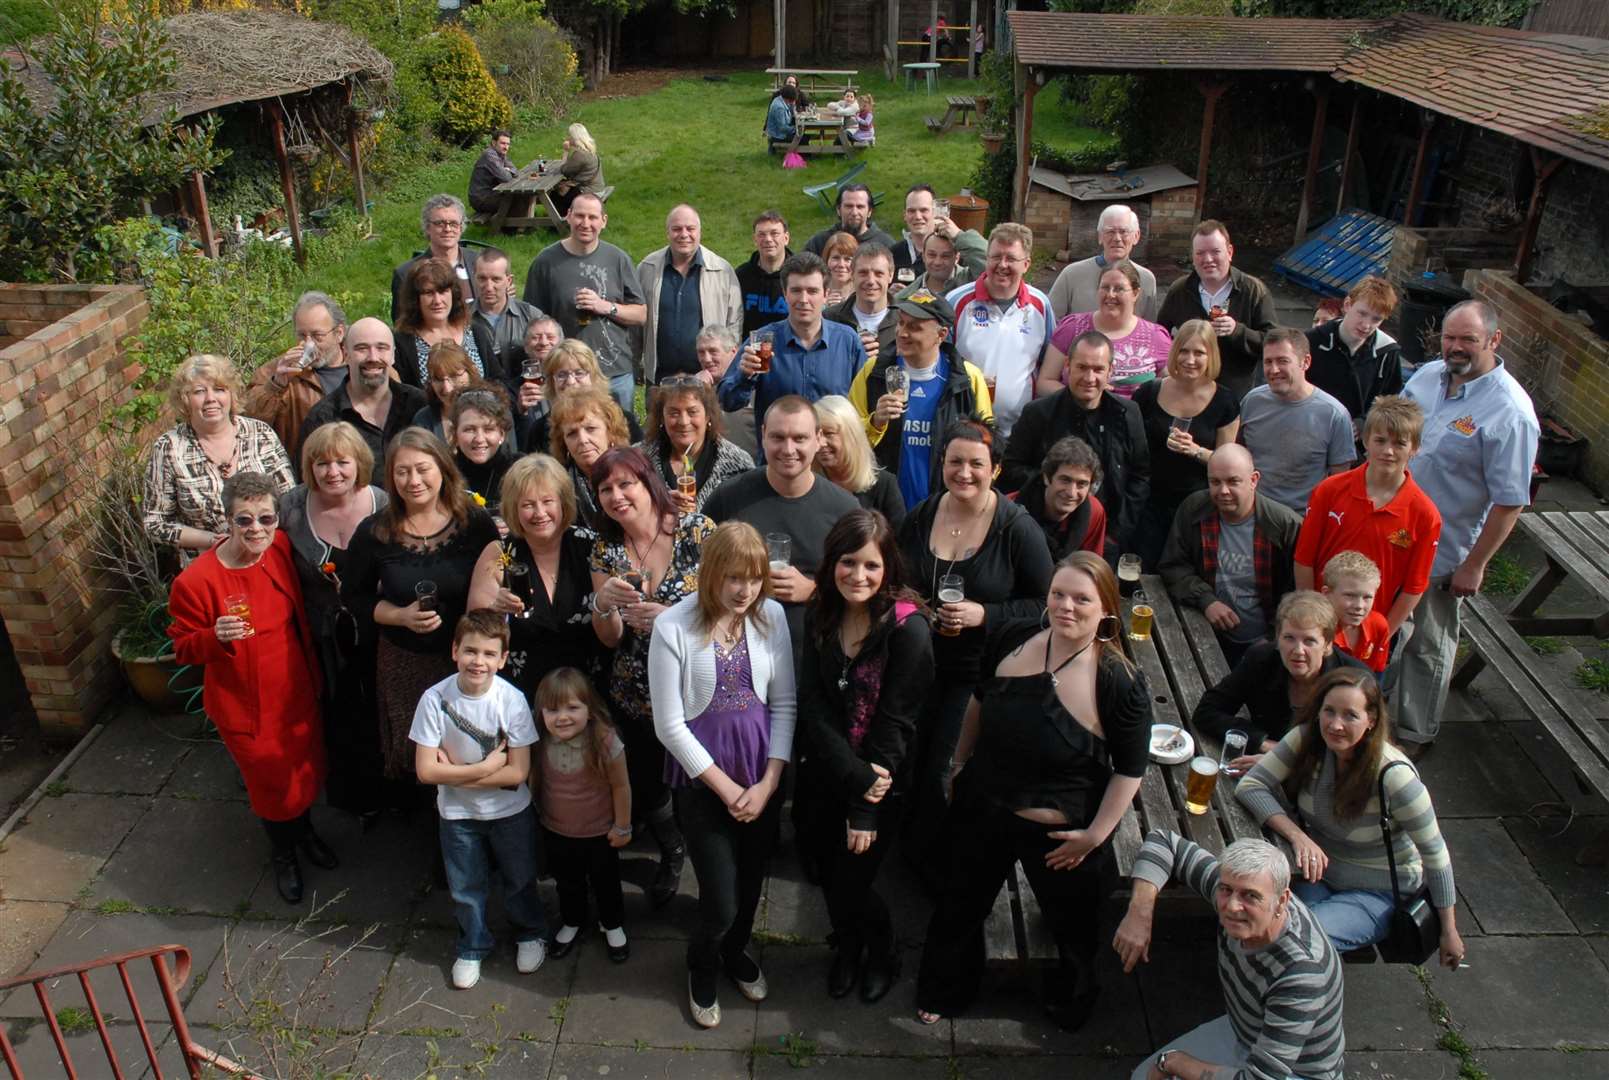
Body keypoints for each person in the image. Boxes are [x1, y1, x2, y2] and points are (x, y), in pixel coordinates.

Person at [917, 552, 1150, 1029]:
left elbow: (1130, 769)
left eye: (1081, 599)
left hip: (1060, 834)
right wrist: (957, 764)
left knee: (1076, 928)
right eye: (1058, 594)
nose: (1066, 606)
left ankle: (1071, 1000)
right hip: (985, 805)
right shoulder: (1014, 636)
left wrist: (1095, 836)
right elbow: (978, 703)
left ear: (1106, 608)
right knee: (958, 904)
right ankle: (944, 989)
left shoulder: (1119, 680)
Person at [649, 521, 796, 1028]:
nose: (745, 590)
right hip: (704, 781)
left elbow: (785, 704)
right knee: (720, 896)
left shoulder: (771, 616)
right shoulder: (673, 625)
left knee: (752, 883)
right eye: (733, 577)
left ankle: (734, 952)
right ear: (709, 573)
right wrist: (729, 789)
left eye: (754, 578)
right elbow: (668, 724)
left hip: (760, 775)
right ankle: (702, 961)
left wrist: (770, 781)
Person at [167, 471, 332, 904]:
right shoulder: (196, 582)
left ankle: (307, 833)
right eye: (244, 520)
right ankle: (284, 854)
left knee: (304, 771)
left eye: (265, 518)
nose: (256, 529)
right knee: (269, 783)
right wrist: (213, 637)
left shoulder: (279, 548)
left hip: (296, 691)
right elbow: (182, 648)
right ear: (227, 520)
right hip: (247, 708)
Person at [897, 420, 1055, 873]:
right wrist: (917, 611)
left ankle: (940, 867)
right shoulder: (924, 514)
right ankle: (910, 851)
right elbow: (898, 584)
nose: (964, 472)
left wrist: (985, 614)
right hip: (923, 663)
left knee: (943, 767)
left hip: (980, 674)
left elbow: (1046, 604)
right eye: (955, 462)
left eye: (976, 464)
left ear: (997, 470)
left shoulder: (1015, 528)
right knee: (907, 758)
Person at [1236, 668, 1464, 964]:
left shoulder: (1395, 778)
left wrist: (1449, 930)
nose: (1335, 725)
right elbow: (1251, 785)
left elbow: (1436, 855)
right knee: (1258, 923)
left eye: (1350, 715)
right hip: (1317, 875)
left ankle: (1283, 1005)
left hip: (1376, 891)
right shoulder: (1307, 741)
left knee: (1293, 941)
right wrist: (1297, 836)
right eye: (1328, 711)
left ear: (1371, 720)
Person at [798, 509, 932, 1002]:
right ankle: (848, 947)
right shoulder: (822, 612)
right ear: (832, 562)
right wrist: (848, 774)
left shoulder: (908, 631)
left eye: (871, 566)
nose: (859, 576)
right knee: (829, 877)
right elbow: (813, 703)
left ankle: (881, 950)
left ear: (888, 569)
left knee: (853, 882)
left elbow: (895, 725)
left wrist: (864, 807)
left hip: (881, 781)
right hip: (830, 770)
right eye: (849, 563)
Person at [1396, 300, 1538, 750]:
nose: (1455, 348)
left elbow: (1510, 501)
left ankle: (1415, 734)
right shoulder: (1425, 377)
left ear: (1494, 341)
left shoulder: (1510, 412)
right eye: (1449, 337)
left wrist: (1475, 565)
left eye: (1468, 340)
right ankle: (1372, 717)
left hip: (1443, 548)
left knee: (1428, 642)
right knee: (1385, 625)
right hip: (1393, 530)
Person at [589, 446, 714, 908]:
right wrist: (604, 604)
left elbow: (726, 611)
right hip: (635, 690)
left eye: (627, 484)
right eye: (606, 489)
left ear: (648, 484)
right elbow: (608, 638)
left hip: (694, 690)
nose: (617, 496)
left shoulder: (696, 530)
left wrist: (669, 618)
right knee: (647, 784)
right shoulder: (605, 549)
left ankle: (708, 865)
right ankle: (672, 851)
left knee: (697, 784)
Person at [1114, 834, 1345, 1080]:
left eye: (1251, 896)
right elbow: (1164, 842)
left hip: (1295, 1072)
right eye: (1226, 890)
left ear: (1282, 901)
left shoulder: (1302, 974)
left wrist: (1173, 1062)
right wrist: (1140, 912)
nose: (1232, 906)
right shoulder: (1232, 891)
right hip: (1246, 1033)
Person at [344, 428, 500, 786]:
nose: (413, 480)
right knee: (421, 756)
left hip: (464, 660)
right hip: (406, 661)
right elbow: (355, 597)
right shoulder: (375, 532)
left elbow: (497, 572)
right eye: (402, 471)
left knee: (470, 746)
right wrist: (400, 616)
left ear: (442, 468)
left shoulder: (474, 522)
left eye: (422, 468)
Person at [410, 609, 546, 990]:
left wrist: (454, 774)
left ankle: (530, 931)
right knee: (466, 886)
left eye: (489, 654)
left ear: (503, 659)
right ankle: (472, 944)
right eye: (470, 651)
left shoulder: (512, 700)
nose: (478, 662)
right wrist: (486, 767)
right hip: (456, 815)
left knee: (520, 878)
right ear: (454, 651)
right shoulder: (434, 699)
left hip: (510, 812)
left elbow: (518, 773)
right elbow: (425, 772)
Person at [278, 422, 389, 818]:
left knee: (380, 709)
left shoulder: (383, 504)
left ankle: (390, 793)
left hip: (380, 631)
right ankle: (348, 793)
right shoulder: (290, 508)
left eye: (342, 461)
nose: (333, 472)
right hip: (323, 636)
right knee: (338, 714)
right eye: (322, 463)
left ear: (359, 463)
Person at [703, 396, 861, 649]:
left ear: (818, 438)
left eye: (799, 438)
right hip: (736, 652)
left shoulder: (845, 508)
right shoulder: (728, 498)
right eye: (778, 437)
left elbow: (866, 587)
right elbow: (697, 572)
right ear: (763, 435)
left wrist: (813, 589)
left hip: (815, 656)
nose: (788, 450)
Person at [1293, 396, 1440, 660]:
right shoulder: (1330, 490)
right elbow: (1304, 560)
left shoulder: (1425, 515)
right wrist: (1311, 617)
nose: (1388, 451)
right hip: (1318, 628)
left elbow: (1413, 588)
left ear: (1415, 448)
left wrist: (1381, 633)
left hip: (1367, 638)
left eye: (1400, 443)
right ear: (1365, 440)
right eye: (1380, 440)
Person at [1001, 332, 1149, 563]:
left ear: (1110, 371)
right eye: (1082, 367)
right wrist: (1053, 484)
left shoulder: (1128, 414)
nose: (1089, 377)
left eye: (1098, 369)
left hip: (1108, 534)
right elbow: (1010, 468)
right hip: (1043, 533)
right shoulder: (1038, 413)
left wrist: (1117, 534)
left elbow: (1140, 476)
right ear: (1067, 366)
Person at [467, 454, 602, 700]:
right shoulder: (500, 554)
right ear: (513, 508)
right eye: (528, 504)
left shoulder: (591, 547)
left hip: (590, 695)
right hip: (521, 696)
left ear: (563, 502)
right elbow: (474, 631)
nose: (539, 513)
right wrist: (495, 610)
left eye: (547, 501)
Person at [1158, 445, 1303, 667]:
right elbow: (1174, 565)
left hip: (1266, 644)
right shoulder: (1195, 508)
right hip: (1205, 634)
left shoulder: (1285, 526)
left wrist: (1272, 640)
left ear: (1254, 480)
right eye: (1215, 482)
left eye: (1233, 481)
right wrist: (1206, 601)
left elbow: (1298, 594)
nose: (1223, 491)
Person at [851, 288, 991, 510]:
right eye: (901, 323)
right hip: (881, 507)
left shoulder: (967, 378)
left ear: (941, 334)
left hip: (944, 508)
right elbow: (847, 440)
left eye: (914, 327)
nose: (902, 332)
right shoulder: (874, 371)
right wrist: (875, 422)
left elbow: (988, 448)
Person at [144, 355, 295, 561]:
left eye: (219, 389)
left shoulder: (260, 434)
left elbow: (290, 499)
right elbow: (156, 523)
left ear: (232, 395)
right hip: (209, 565)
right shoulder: (169, 448)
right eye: (199, 391)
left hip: (268, 557)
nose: (210, 399)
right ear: (184, 400)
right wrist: (213, 540)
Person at [1193, 591, 1368, 767]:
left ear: (1328, 644)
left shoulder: (1354, 681)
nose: (1298, 650)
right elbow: (1206, 711)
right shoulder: (1261, 659)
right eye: (1289, 638)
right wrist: (1262, 742)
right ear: (1277, 637)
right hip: (1260, 765)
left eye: (1309, 641)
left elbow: (1362, 752)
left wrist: (1284, 760)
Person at [717, 253, 869, 456]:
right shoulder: (763, 341)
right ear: (785, 294)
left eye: (812, 291)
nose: (803, 299)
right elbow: (726, 401)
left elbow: (865, 405)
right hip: (782, 462)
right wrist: (743, 376)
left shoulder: (847, 341)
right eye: (796, 290)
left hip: (833, 462)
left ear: (825, 294)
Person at [535, 667, 632, 963]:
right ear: (540, 714)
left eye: (572, 708)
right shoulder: (538, 741)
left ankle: (612, 923)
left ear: (589, 710)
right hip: (557, 830)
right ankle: (572, 920)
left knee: (606, 881)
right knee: (568, 882)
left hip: (599, 833)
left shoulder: (604, 741)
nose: (562, 717)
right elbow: (533, 780)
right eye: (552, 710)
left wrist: (623, 826)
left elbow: (621, 785)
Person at [521, 192, 646, 414]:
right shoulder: (546, 262)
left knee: (620, 440)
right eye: (579, 216)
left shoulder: (617, 259)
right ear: (568, 216)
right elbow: (533, 322)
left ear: (603, 221)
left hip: (614, 373)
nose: (585, 223)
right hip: (567, 376)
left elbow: (641, 314)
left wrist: (605, 306)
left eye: (592, 217)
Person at [1129, 320, 1241, 568]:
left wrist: (1195, 450)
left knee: (1184, 570)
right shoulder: (1149, 393)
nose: (1190, 359)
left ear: (1211, 355)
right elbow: (1130, 447)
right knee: (1144, 570)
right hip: (1149, 503)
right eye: (1184, 351)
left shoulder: (1225, 401)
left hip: (1196, 505)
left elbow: (1227, 464)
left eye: (1199, 352)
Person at [946, 222, 1051, 438]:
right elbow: (940, 360)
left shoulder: (1041, 305)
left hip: (1022, 431)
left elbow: (1049, 363)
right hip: (966, 428)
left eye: (1011, 258)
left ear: (1026, 264)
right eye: (995, 257)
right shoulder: (957, 301)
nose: (1002, 265)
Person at [1155, 220, 1279, 399]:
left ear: (1229, 252)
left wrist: (1237, 331)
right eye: (1200, 253)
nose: (1207, 259)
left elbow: (1273, 341)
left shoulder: (1254, 290)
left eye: (1215, 252)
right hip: (1187, 391)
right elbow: (1160, 333)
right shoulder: (1180, 290)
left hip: (1234, 393)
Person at [1238, 328, 1354, 514]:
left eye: (1283, 361)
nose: (1274, 370)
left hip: (1302, 518)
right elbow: (1238, 454)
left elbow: (1340, 481)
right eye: (1268, 362)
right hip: (1252, 511)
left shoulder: (1334, 415)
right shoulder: (1252, 402)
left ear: (1305, 362)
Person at [300, 318, 427, 480]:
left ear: (393, 355)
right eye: (362, 348)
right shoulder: (322, 418)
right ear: (346, 354)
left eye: (382, 348)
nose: (373, 357)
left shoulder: (419, 405)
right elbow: (308, 485)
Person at [637, 204, 744, 386]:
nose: (684, 234)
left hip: (708, 380)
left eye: (690, 229)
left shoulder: (722, 270)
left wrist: (724, 369)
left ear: (700, 232)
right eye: (677, 229)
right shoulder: (647, 268)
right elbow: (636, 320)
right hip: (660, 379)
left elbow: (734, 324)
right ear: (667, 233)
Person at [1038, 260, 1172, 399]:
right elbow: (1045, 382)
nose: (1110, 295)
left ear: (1135, 293)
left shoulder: (1156, 336)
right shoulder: (1072, 328)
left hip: (1136, 418)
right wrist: (1081, 397)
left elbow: (1172, 387)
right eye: (1105, 287)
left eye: (1119, 288)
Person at [242, 291, 350, 461]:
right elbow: (246, 424)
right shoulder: (277, 370)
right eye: (302, 335)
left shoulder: (363, 365)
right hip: (307, 472)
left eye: (317, 336)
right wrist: (275, 385)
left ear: (339, 333)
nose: (308, 344)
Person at [1306, 276, 1403, 443]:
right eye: (1362, 314)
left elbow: (1392, 400)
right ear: (1347, 305)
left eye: (1376, 319)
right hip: (1309, 431)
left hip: (1354, 443)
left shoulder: (1387, 351)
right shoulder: (1313, 341)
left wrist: (1363, 423)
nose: (1366, 325)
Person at [640, 375, 754, 515]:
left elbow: (746, 521)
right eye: (674, 413)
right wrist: (658, 507)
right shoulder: (639, 459)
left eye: (692, 412)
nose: (683, 421)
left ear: (708, 417)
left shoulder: (738, 463)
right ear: (662, 418)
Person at [520, 338, 643, 458]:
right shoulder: (539, 430)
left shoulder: (622, 419)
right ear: (552, 382)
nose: (571, 382)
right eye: (561, 375)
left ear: (594, 377)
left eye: (579, 373)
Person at [393, 257, 501, 389]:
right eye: (428, 293)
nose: (437, 300)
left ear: (453, 294)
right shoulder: (403, 342)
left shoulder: (474, 330)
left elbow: (498, 380)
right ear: (415, 299)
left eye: (443, 291)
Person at [1047, 204, 1159, 322]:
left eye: (1123, 231)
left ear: (1136, 236)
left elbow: (1150, 328)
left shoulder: (1146, 279)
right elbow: (1050, 319)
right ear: (1100, 236)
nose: (1117, 238)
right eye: (1110, 231)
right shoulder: (1072, 274)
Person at [812, 394, 904, 526]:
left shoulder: (884, 486)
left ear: (851, 435)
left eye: (829, 433)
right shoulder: (807, 482)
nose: (820, 443)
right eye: (816, 434)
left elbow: (899, 543)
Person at [1016, 436, 1108, 561]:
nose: (1072, 493)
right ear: (1046, 478)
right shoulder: (1010, 511)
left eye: (1082, 484)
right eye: (1065, 480)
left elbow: (1091, 569)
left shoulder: (1094, 512)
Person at [391, 194, 482, 319]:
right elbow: (402, 325)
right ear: (427, 227)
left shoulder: (480, 262)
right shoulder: (406, 274)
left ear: (461, 228)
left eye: (454, 223)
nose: (447, 229)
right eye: (440, 223)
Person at [471, 247, 546, 380]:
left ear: (509, 281)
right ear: (474, 278)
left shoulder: (531, 316)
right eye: (482, 278)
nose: (488, 287)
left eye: (496, 279)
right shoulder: (461, 319)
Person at [827, 241, 897, 363]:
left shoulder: (907, 320)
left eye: (878, 273)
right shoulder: (829, 319)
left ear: (890, 276)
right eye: (863, 273)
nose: (870, 280)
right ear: (852, 275)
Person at [696, 325, 759, 461]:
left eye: (713, 351)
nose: (706, 359)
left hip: (750, 470)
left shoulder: (750, 386)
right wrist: (695, 392)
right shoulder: (694, 387)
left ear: (733, 352)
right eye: (701, 352)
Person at [1322, 551, 1390, 675]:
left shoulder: (1378, 625)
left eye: (1367, 597)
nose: (1359, 606)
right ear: (1326, 593)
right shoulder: (1316, 629)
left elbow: (1374, 676)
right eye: (1350, 595)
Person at [450, 387, 518, 510]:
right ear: (455, 435)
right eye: (469, 429)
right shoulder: (445, 473)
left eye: (488, 429)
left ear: (502, 434)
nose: (479, 439)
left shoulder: (520, 468)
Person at [897, 216, 986, 300]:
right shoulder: (907, 295)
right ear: (923, 256)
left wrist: (958, 235)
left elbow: (992, 261)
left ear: (957, 258)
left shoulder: (970, 281)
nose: (937, 262)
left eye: (945, 256)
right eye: (932, 255)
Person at [737, 210, 793, 337]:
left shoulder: (799, 275)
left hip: (790, 351)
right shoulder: (741, 276)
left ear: (786, 238)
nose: (768, 239)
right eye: (761, 234)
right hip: (751, 351)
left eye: (774, 233)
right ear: (755, 239)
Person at [803, 184, 896, 255]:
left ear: (869, 211)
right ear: (838, 209)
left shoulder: (886, 244)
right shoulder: (820, 242)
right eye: (849, 206)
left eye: (860, 207)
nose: (854, 212)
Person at [412, 341, 477, 442]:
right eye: (438, 379)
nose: (447, 388)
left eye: (454, 376)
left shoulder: (492, 410)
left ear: (470, 372)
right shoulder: (424, 420)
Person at [552, 122, 604, 218]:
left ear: (574, 137)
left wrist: (565, 151)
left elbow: (563, 170)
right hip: (597, 188)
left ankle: (560, 222)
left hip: (590, 191)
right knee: (560, 191)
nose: (567, 138)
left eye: (569, 135)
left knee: (554, 195)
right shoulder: (590, 149)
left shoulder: (579, 155)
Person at [468, 129, 518, 217]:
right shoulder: (489, 155)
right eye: (502, 143)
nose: (506, 147)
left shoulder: (501, 154)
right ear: (494, 143)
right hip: (481, 199)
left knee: (520, 197)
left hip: (492, 193)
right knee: (516, 199)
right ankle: (510, 227)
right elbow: (506, 178)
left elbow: (514, 170)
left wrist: (508, 170)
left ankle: (518, 225)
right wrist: (507, 171)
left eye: (508, 144)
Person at [892, 184, 936, 283]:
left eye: (924, 210)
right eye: (911, 211)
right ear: (905, 215)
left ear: (935, 212)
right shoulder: (893, 253)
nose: (918, 216)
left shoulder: (949, 253)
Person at [822, 230, 859, 308]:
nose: (841, 265)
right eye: (836, 258)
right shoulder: (817, 288)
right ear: (827, 260)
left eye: (847, 259)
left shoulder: (862, 290)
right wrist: (824, 308)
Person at [766, 83, 800, 148]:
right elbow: (783, 128)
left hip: (779, 133)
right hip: (778, 136)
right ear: (789, 98)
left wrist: (793, 107)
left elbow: (791, 113)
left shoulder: (780, 99)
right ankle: (803, 154)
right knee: (802, 137)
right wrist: (796, 129)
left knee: (803, 136)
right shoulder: (779, 108)